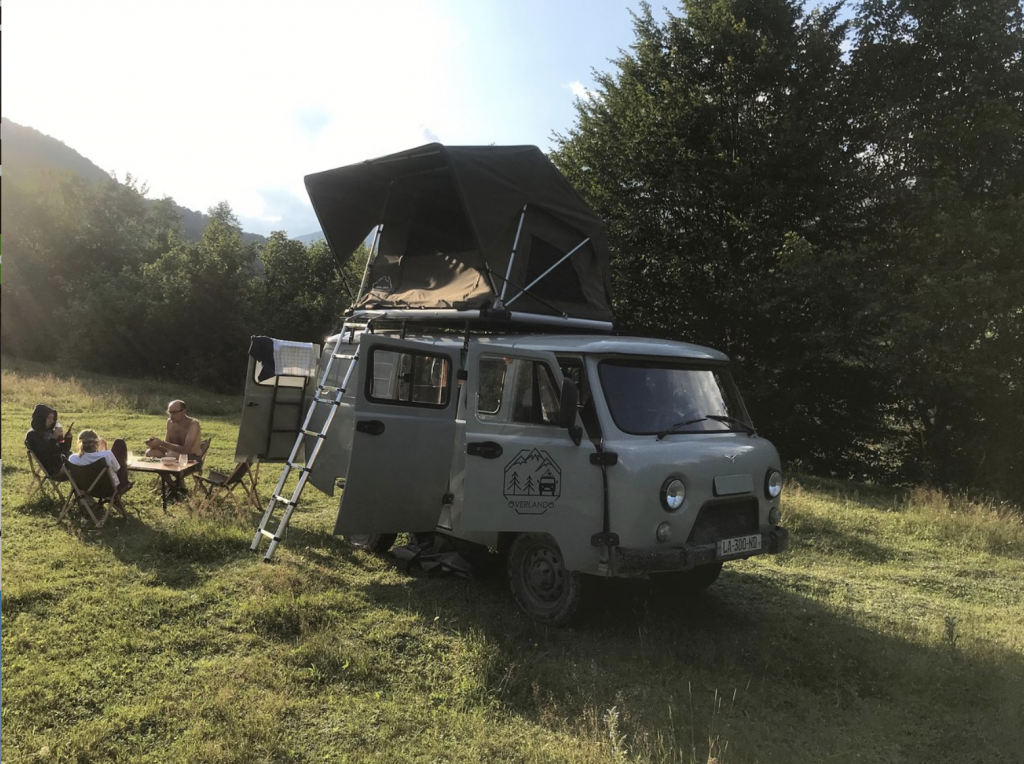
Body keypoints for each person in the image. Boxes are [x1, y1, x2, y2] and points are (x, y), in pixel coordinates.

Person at [68, 429, 133, 495]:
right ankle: (122, 489)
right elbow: (117, 469)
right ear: (97, 442)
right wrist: (103, 452)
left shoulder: (73, 458)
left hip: (84, 488)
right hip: (109, 489)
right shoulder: (106, 455)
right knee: (119, 443)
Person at [24, 404, 73, 477]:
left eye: (53, 418)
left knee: (84, 463)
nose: (52, 421)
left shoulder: (50, 431)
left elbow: (63, 449)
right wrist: (53, 439)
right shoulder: (32, 435)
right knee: (81, 469)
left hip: (63, 461)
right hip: (53, 468)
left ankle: (79, 488)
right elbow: (45, 454)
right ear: (41, 418)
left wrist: (67, 439)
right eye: (49, 418)